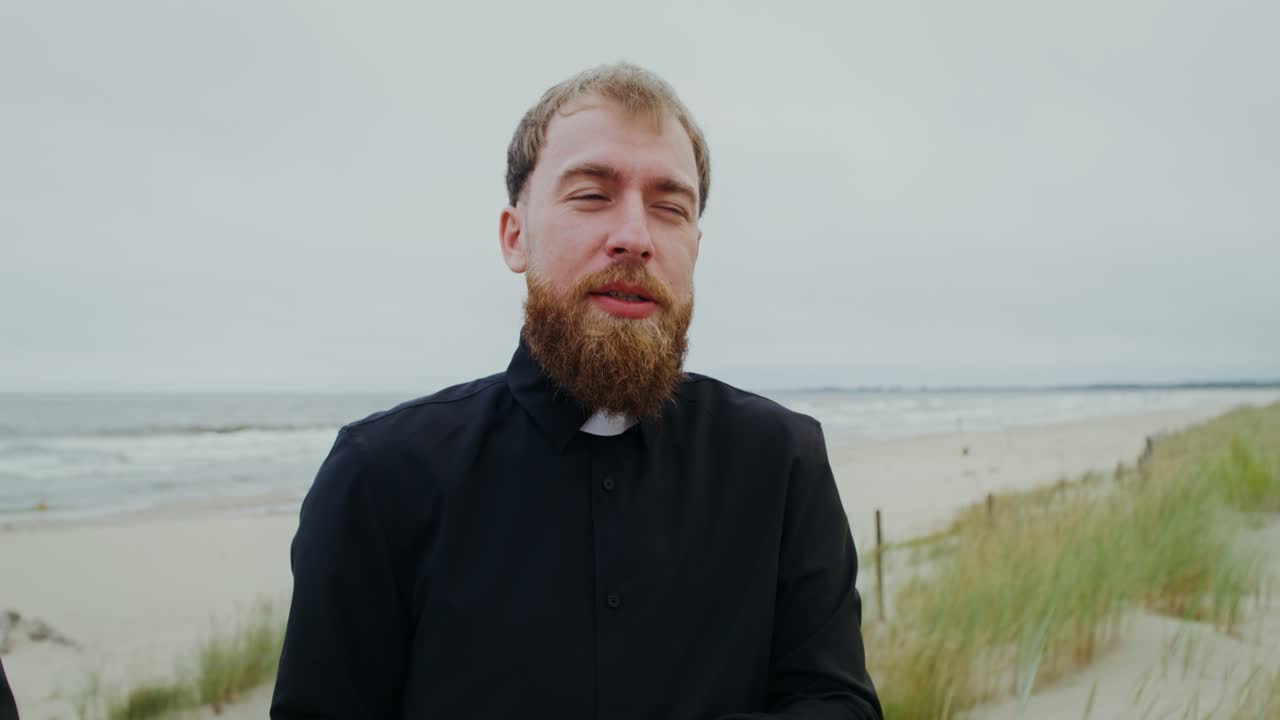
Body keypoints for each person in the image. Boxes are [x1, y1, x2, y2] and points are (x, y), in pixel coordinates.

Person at [271, 62, 882, 719]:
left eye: (669, 207)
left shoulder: (781, 460)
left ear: (695, 250)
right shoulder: (379, 478)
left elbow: (836, 702)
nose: (635, 238)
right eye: (591, 195)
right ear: (515, 237)